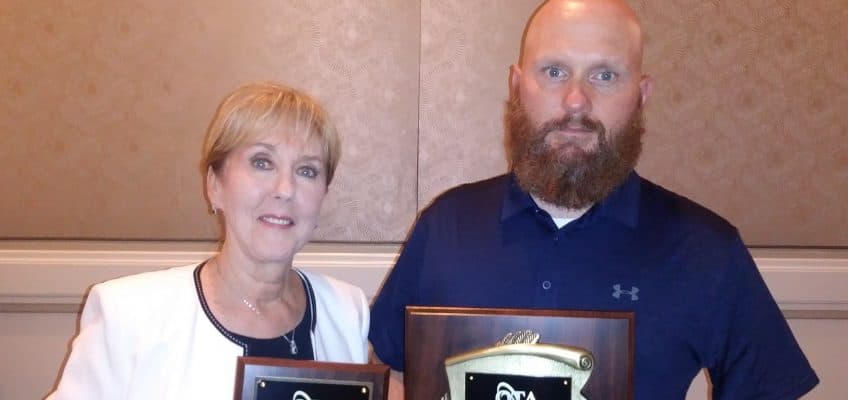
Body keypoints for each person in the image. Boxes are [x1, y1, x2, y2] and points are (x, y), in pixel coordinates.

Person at [369, 0, 818, 398]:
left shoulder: (706, 250)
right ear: (517, 84)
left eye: (605, 75)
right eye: (554, 71)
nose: (576, 101)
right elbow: (388, 371)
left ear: (641, 95)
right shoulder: (446, 225)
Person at [47, 82, 369, 399]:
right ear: (214, 185)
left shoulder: (345, 311)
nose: (285, 189)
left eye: (307, 171)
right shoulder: (127, 316)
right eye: (262, 162)